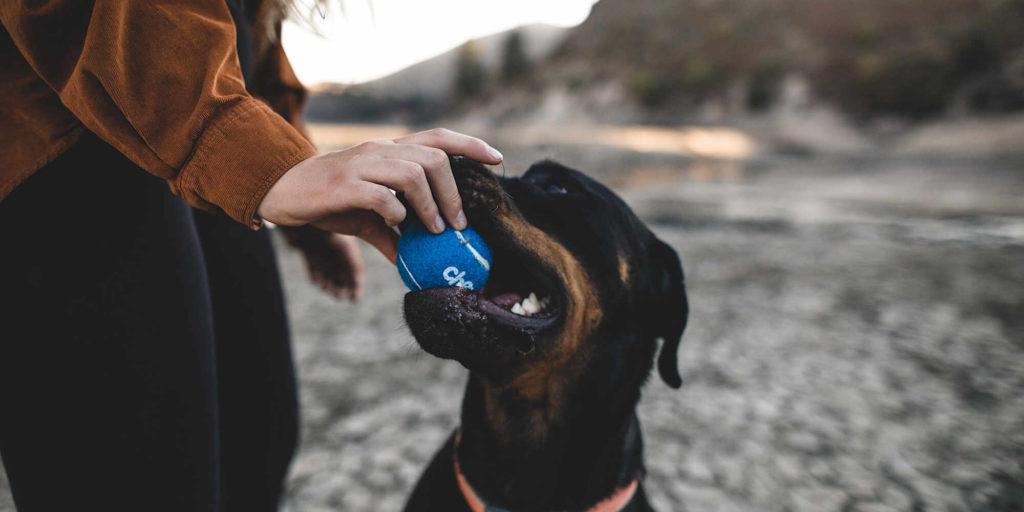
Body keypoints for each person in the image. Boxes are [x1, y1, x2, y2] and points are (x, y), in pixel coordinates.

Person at [0, 1, 502, 510]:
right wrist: (255, 157)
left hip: (187, 133)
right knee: (146, 482)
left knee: (257, 443)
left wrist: (297, 178)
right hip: (58, 148)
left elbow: (249, 40)